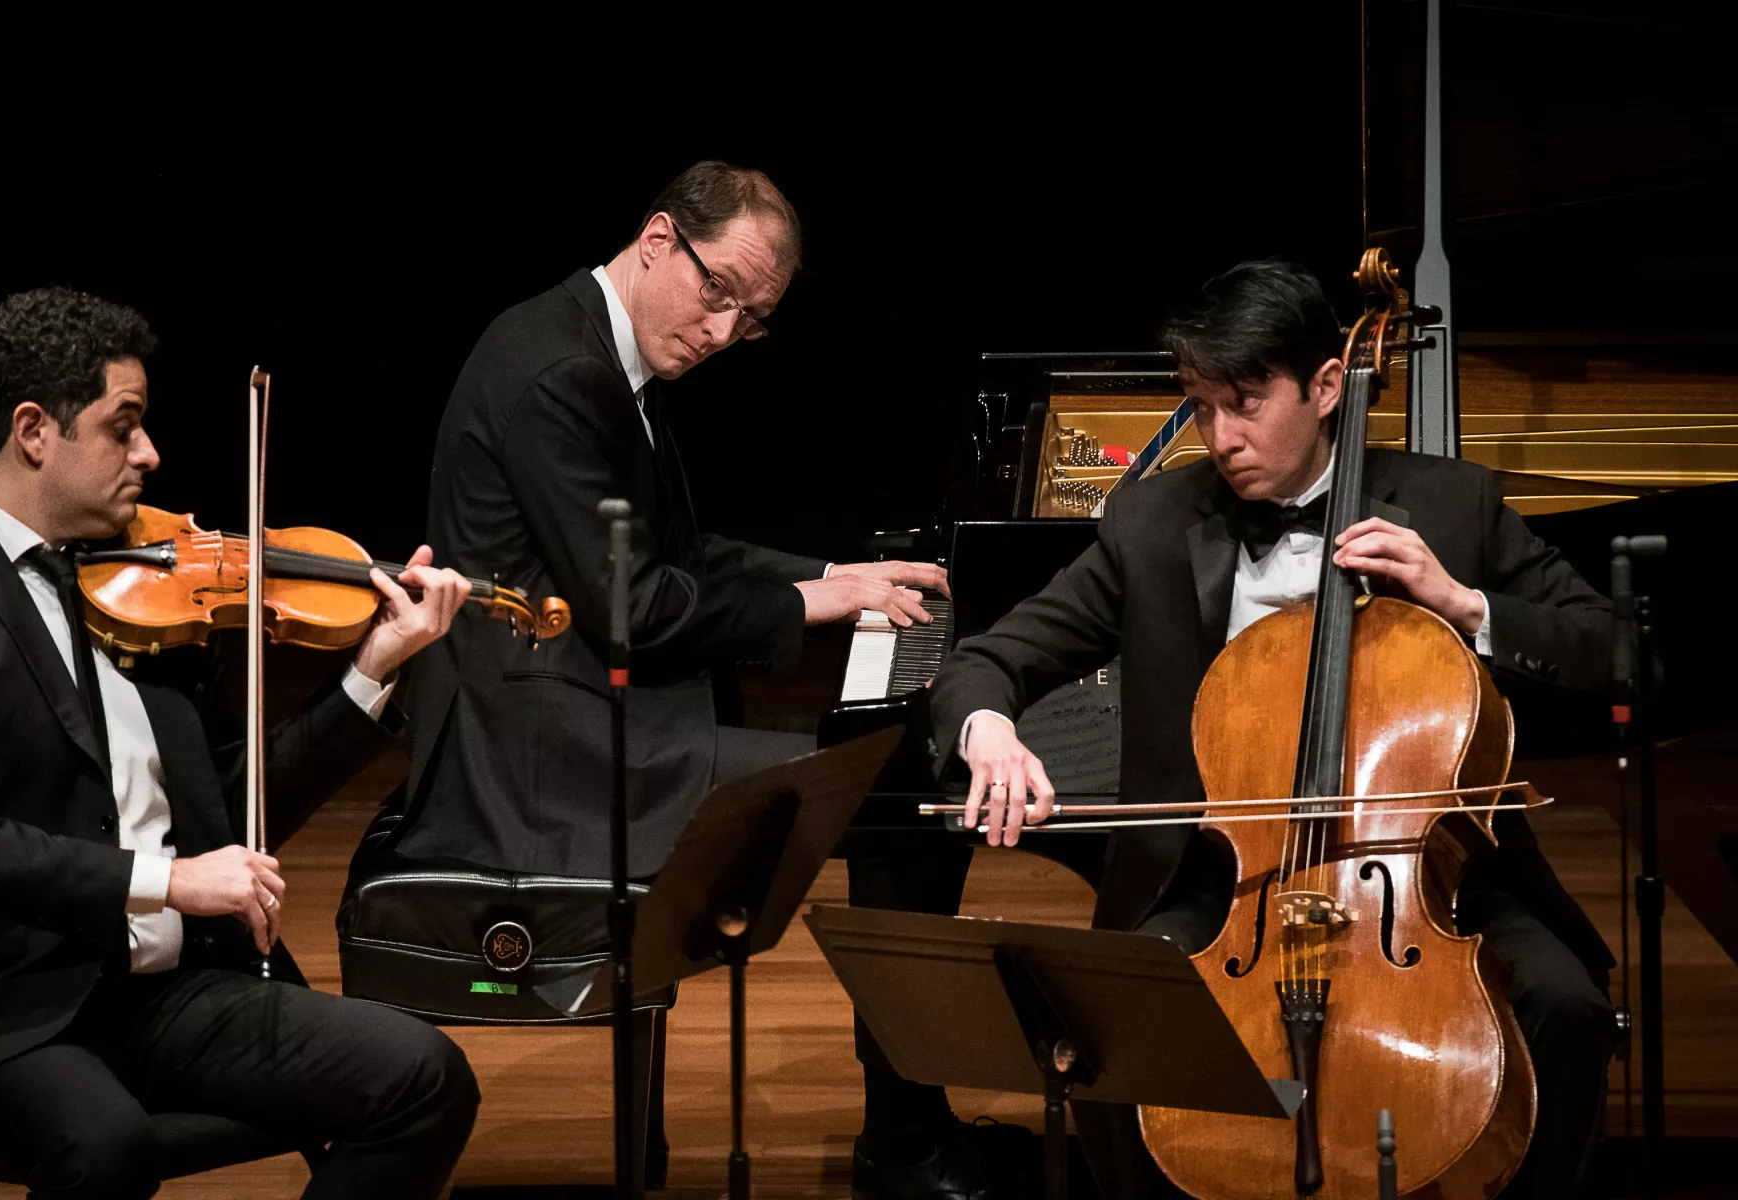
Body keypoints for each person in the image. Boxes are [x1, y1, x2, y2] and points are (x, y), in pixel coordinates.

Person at [887, 259, 1617, 1199]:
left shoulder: (1453, 507)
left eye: (1245, 402)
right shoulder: (1152, 521)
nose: (1221, 437)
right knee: (1119, 1018)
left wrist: (1463, 602)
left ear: (1325, 388)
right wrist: (988, 727)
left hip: (1430, 882)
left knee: (1566, 1006)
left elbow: (1618, 648)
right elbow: (996, 655)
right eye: (1200, 406)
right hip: (1226, 880)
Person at [0, 287, 482, 1200]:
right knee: (107, 1148)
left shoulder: (142, 591)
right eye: (124, 427)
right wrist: (167, 880)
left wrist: (372, 668)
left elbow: (237, 814)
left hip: (163, 992)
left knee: (424, 1077)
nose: (151, 454)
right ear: (33, 430)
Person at [379, 160, 946, 880]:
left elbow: (678, 550)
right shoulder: (564, 371)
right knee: (902, 795)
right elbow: (636, 609)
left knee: (891, 782)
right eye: (717, 291)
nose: (720, 331)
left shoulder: (604, 351)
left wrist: (835, 576)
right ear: (658, 238)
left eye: (750, 319)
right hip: (536, 755)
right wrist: (804, 604)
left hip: (576, 715)